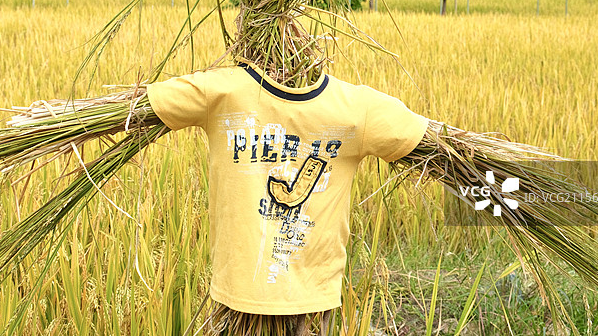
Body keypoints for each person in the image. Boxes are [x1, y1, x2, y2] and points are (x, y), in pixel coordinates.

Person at [147, 61, 428, 334]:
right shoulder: (356, 106)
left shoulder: (222, 88)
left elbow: (142, 105)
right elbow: (436, 140)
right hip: (265, 296)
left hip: (307, 303)